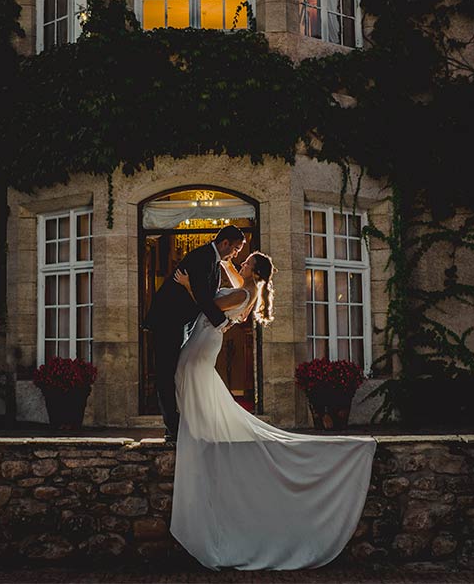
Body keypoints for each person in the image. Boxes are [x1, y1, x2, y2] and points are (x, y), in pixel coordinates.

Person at [168, 251, 378, 571]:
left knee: (189, 378)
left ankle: (197, 430)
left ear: (254, 270)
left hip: (203, 342)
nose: (242, 265)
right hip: (205, 341)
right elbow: (235, 279)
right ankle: (198, 427)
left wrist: (186, 284)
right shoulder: (249, 289)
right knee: (192, 382)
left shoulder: (241, 292)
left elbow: (207, 306)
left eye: (246, 262)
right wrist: (224, 259)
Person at [143, 225, 246, 442]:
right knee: (166, 374)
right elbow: (202, 297)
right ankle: (173, 427)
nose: (236, 254)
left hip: (183, 322)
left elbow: (207, 296)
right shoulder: (202, 257)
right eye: (235, 249)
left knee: (178, 371)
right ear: (225, 243)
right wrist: (222, 322)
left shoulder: (215, 263)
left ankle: (181, 422)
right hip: (167, 321)